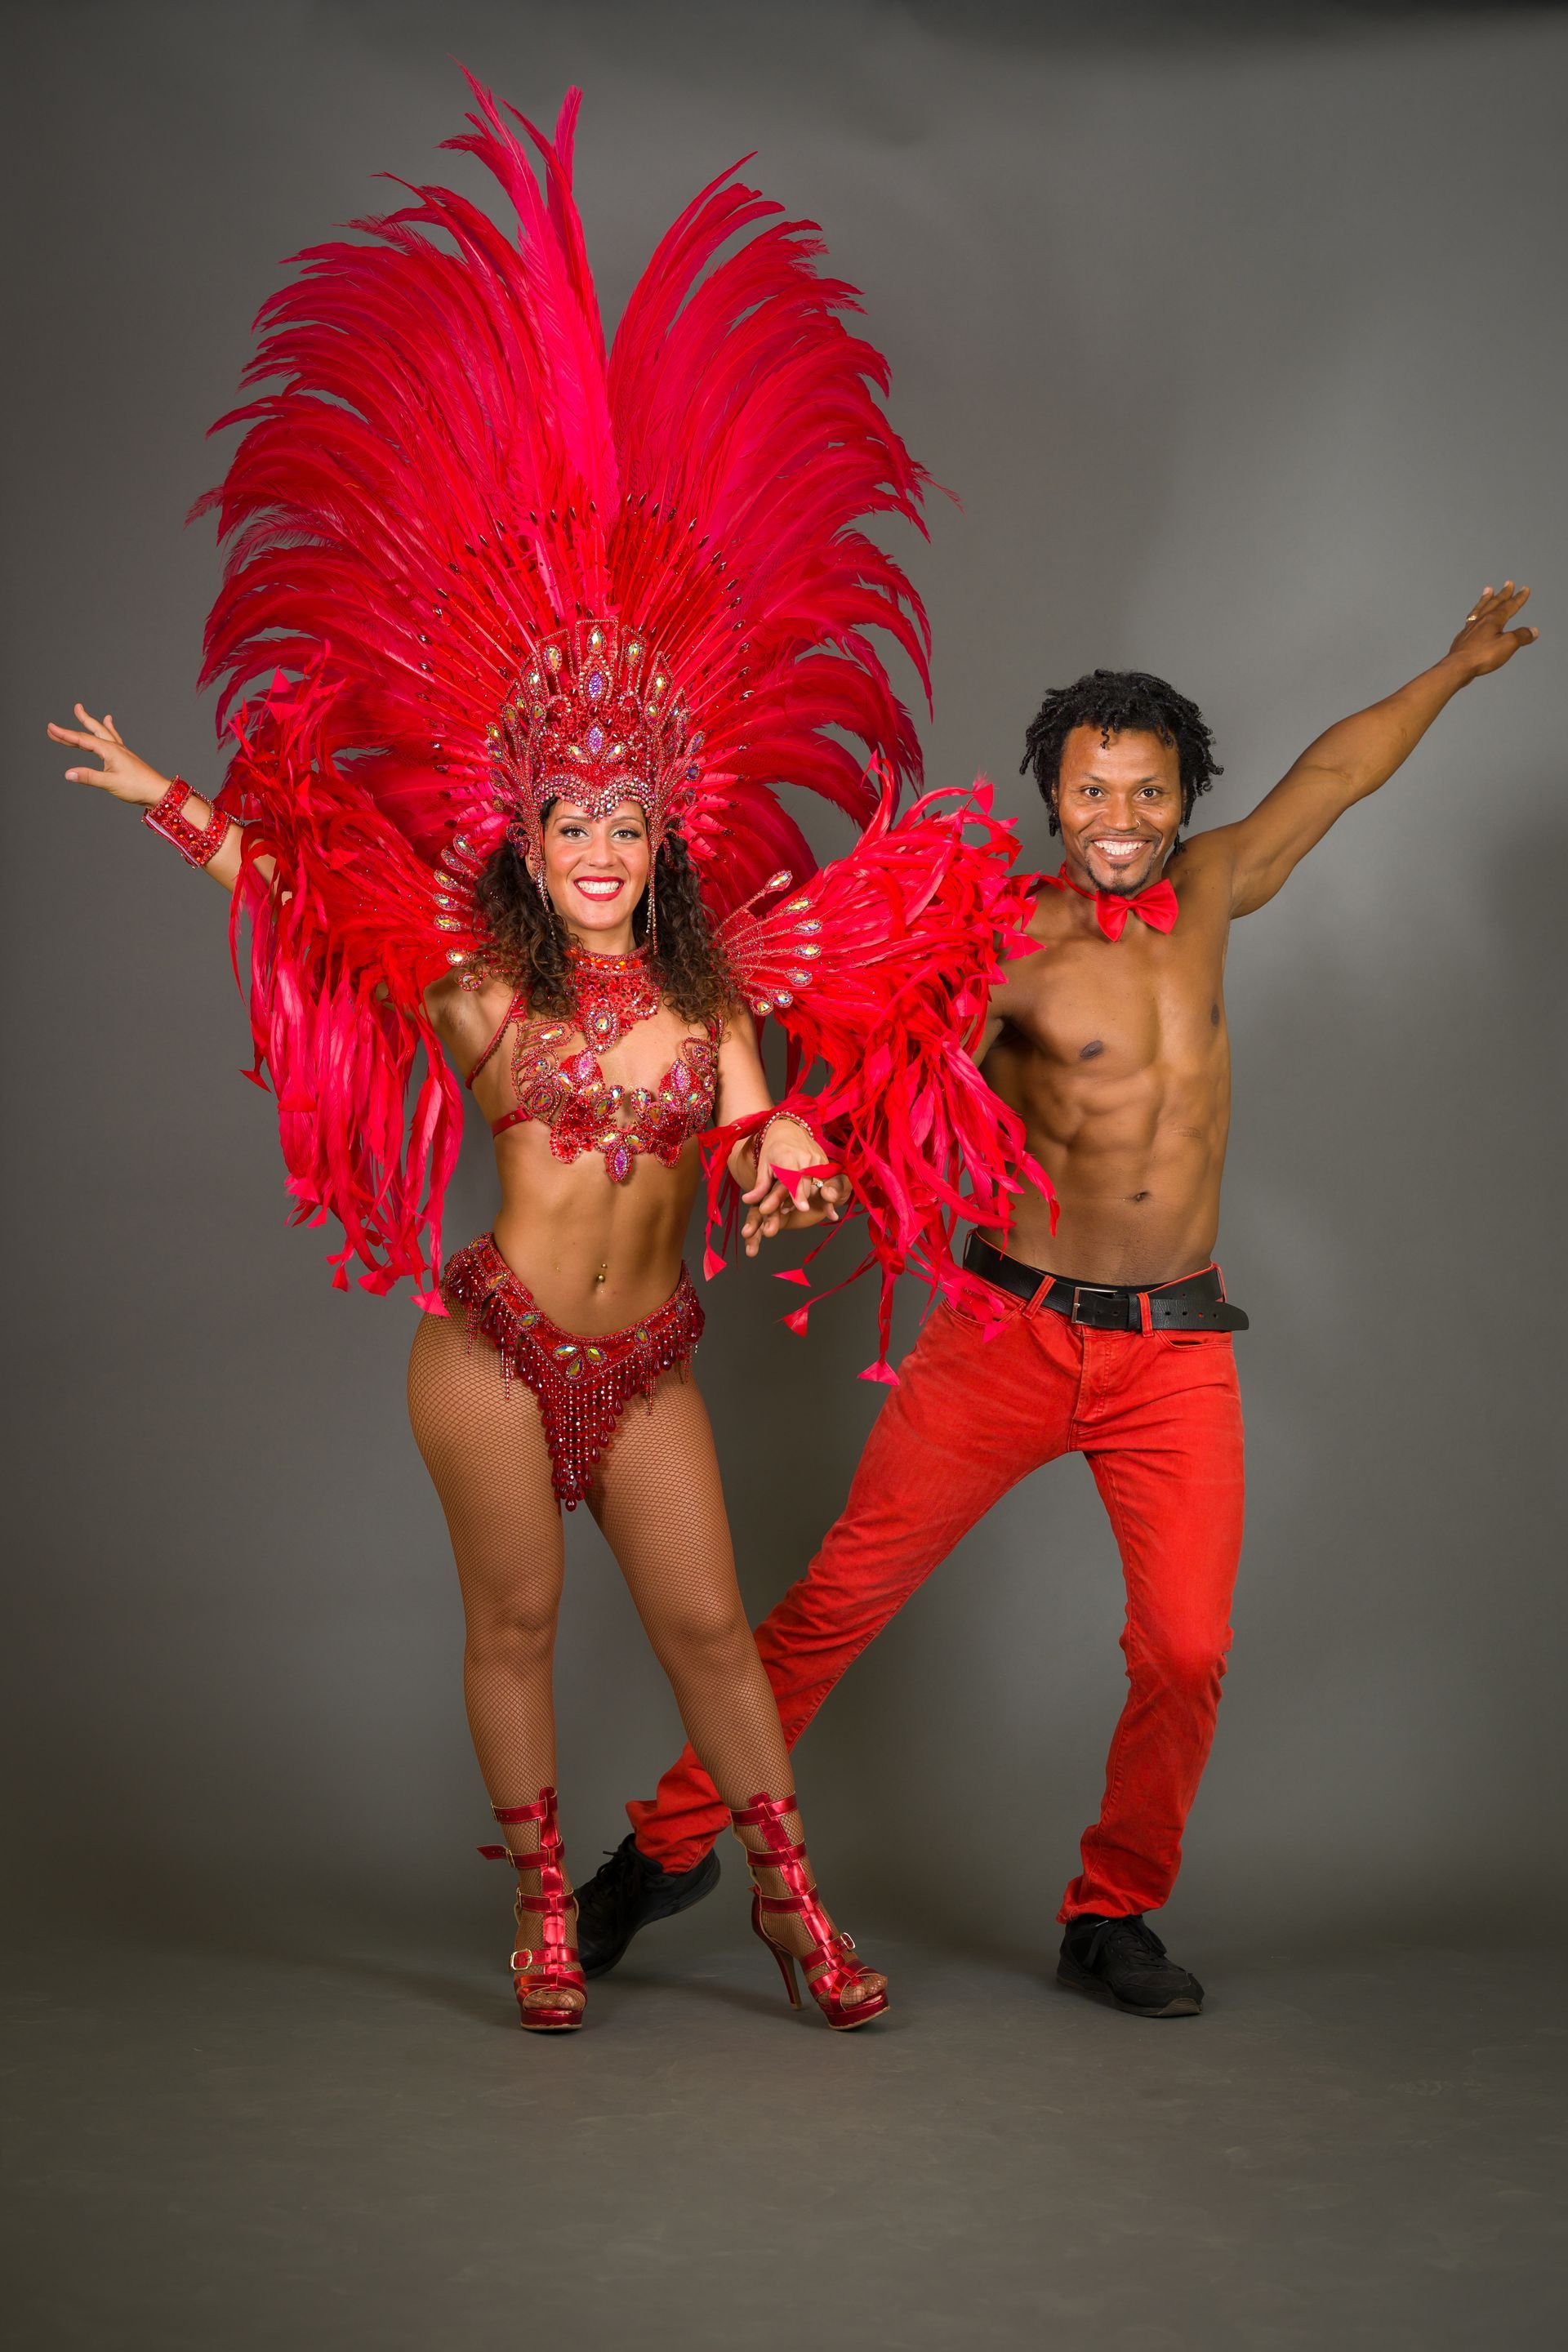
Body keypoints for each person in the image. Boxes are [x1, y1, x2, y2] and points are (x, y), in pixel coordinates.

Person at [46, 82, 1029, 2034]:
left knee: (706, 1635)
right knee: (513, 1621)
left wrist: (801, 1161)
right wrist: (166, 794)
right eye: (566, 822)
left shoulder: (725, 992)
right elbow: (297, 889)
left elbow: (772, 1117)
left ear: (669, 839)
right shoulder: (467, 985)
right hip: (491, 1349)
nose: (596, 849)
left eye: (626, 826)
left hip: (648, 1363)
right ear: (526, 838)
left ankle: (789, 1908)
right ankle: (541, 1916)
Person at [576, 585, 1539, 2016]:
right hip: (1007, 1336)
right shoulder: (1012, 939)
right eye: (1092, 788)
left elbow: (1336, 769)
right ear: (1053, 795)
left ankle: (1114, 1910)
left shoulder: (1215, 888)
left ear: (1182, 795)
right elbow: (910, 1085)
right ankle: (662, 1851)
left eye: (1147, 790)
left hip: (1174, 1351)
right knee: (836, 1602)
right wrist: (815, 1159)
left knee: (1188, 1646)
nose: (1121, 814)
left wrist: (1456, 669)